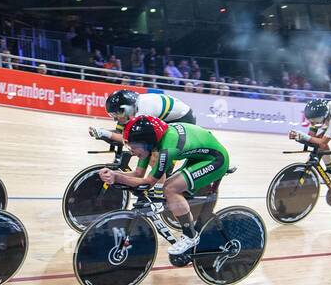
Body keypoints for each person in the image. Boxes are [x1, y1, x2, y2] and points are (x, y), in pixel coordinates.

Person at [98, 115, 230, 262]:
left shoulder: (167, 150)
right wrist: (114, 174)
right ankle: (188, 216)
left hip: (216, 159)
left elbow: (148, 182)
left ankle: (191, 236)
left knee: (170, 188)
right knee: (172, 190)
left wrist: (117, 177)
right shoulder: (152, 143)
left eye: (133, 146)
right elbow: (137, 174)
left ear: (146, 142)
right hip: (199, 156)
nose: (132, 151)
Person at [88, 88, 195, 144]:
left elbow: (130, 139)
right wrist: (102, 132)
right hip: (169, 116)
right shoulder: (131, 107)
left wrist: (105, 133)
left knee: (159, 149)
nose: (115, 119)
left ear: (126, 108)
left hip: (184, 118)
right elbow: (119, 133)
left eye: (116, 114)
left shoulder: (144, 110)